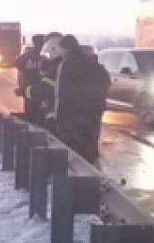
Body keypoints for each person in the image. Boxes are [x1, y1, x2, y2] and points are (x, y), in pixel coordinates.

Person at [50, 34, 110, 164]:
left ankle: (77, 179)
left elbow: (62, 92)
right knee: (91, 144)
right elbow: (106, 81)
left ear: (65, 48)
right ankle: (93, 175)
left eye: (59, 48)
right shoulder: (91, 62)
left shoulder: (67, 64)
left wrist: (59, 115)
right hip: (93, 111)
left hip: (73, 113)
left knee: (74, 147)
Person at [14, 34, 46, 123]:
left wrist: (26, 71)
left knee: (30, 111)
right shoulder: (45, 56)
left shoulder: (27, 56)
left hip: (28, 88)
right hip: (42, 88)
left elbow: (17, 63)